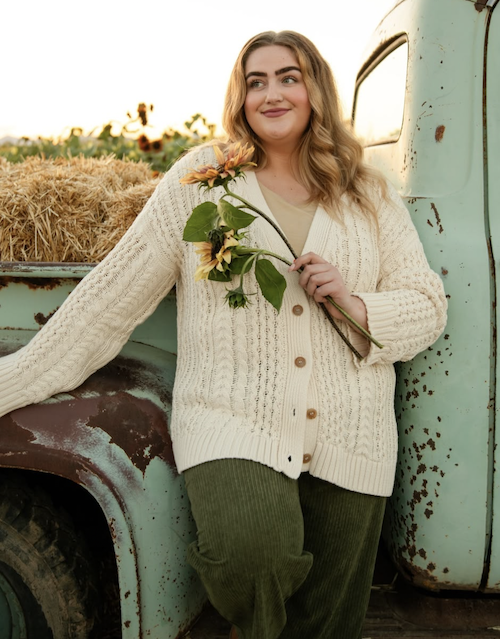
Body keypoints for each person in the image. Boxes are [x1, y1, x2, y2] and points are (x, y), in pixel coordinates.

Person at [0, 31, 446, 639]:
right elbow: (107, 303)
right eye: (255, 81)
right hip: (234, 417)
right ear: (239, 97)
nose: (272, 93)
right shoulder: (203, 179)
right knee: (249, 557)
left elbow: (427, 305)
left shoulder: (364, 193)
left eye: (288, 77)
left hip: (353, 428)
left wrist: (354, 302)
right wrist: (11, 382)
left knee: (330, 618)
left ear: (316, 87)